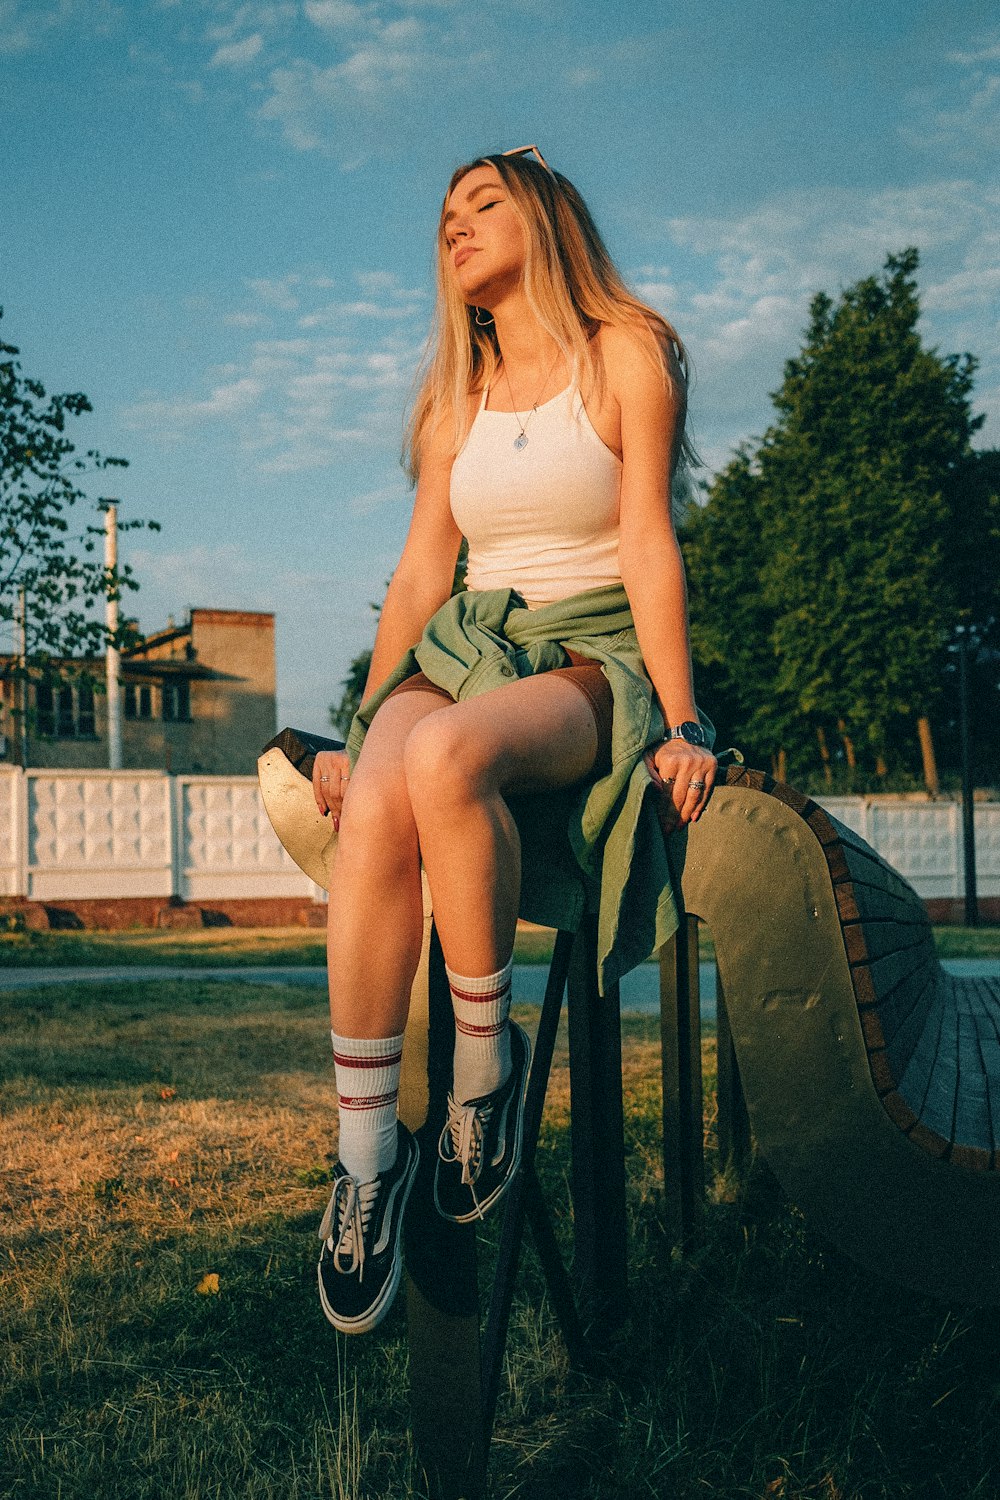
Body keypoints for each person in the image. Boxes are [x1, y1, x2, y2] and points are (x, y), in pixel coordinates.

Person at [310, 146, 717, 1335]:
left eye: (483, 202)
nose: (455, 224)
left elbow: (646, 539)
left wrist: (683, 718)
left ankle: (481, 1077)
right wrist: (361, 715)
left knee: (442, 759)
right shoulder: (458, 395)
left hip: (588, 653)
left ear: (547, 219)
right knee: (384, 784)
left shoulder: (625, 351)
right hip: (461, 645)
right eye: (444, 213)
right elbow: (421, 574)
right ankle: (367, 1161)